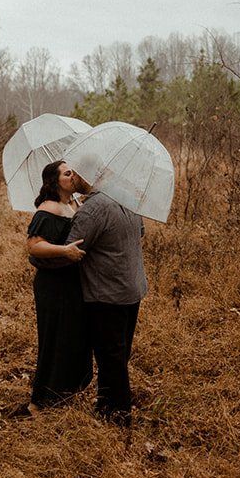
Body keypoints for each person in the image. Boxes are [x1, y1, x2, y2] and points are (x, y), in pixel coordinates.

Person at [67, 166, 147, 426]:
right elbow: (141, 231)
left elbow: (75, 245)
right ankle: (106, 405)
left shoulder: (93, 207)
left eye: (74, 173)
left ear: (85, 174)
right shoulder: (125, 196)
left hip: (107, 293)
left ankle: (119, 417)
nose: (72, 178)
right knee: (119, 353)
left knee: (110, 356)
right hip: (131, 287)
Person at [20, 160, 93, 412]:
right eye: (66, 173)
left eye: (72, 171)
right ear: (55, 181)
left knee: (73, 337)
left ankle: (63, 393)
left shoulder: (73, 203)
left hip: (72, 282)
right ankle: (38, 403)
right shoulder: (48, 208)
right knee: (54, 339)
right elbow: (34, 245)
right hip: (53, 284)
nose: (72, 175)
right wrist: (64, 251)